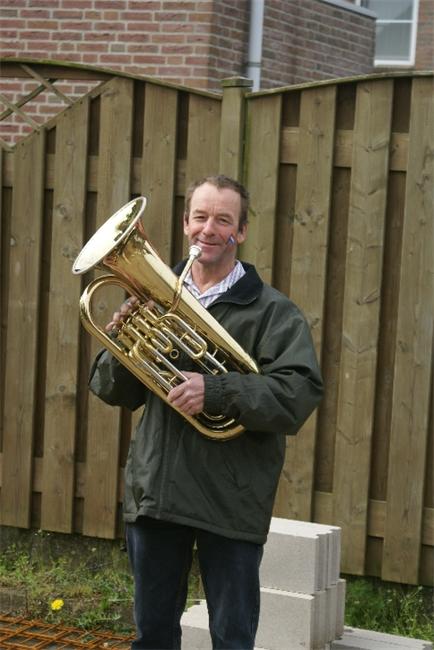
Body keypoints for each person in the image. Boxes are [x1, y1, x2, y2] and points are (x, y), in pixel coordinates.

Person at [88, 175, 323, 650]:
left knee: (231, 639)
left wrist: (214, 391)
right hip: (158, 492)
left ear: (241, 231)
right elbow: (110, 391)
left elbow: (297, 394)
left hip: (231, 500)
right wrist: (122, 344)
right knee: (152, 637)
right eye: (200, 217)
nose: (208, 229)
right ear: (185, 224)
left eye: (223, 220)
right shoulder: (153, 298)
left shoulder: (273, 312)